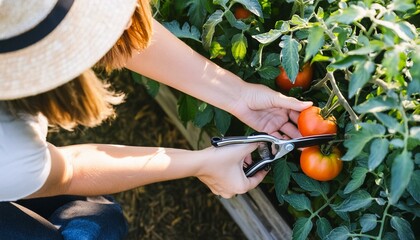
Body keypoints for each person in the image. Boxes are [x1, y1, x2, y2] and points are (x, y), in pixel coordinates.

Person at [0, 0, 312, 239]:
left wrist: (237, 94)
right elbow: (67, 172)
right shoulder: (9, 142)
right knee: (94, 228)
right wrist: (199, 164)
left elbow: (109, 30)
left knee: (94, 212)